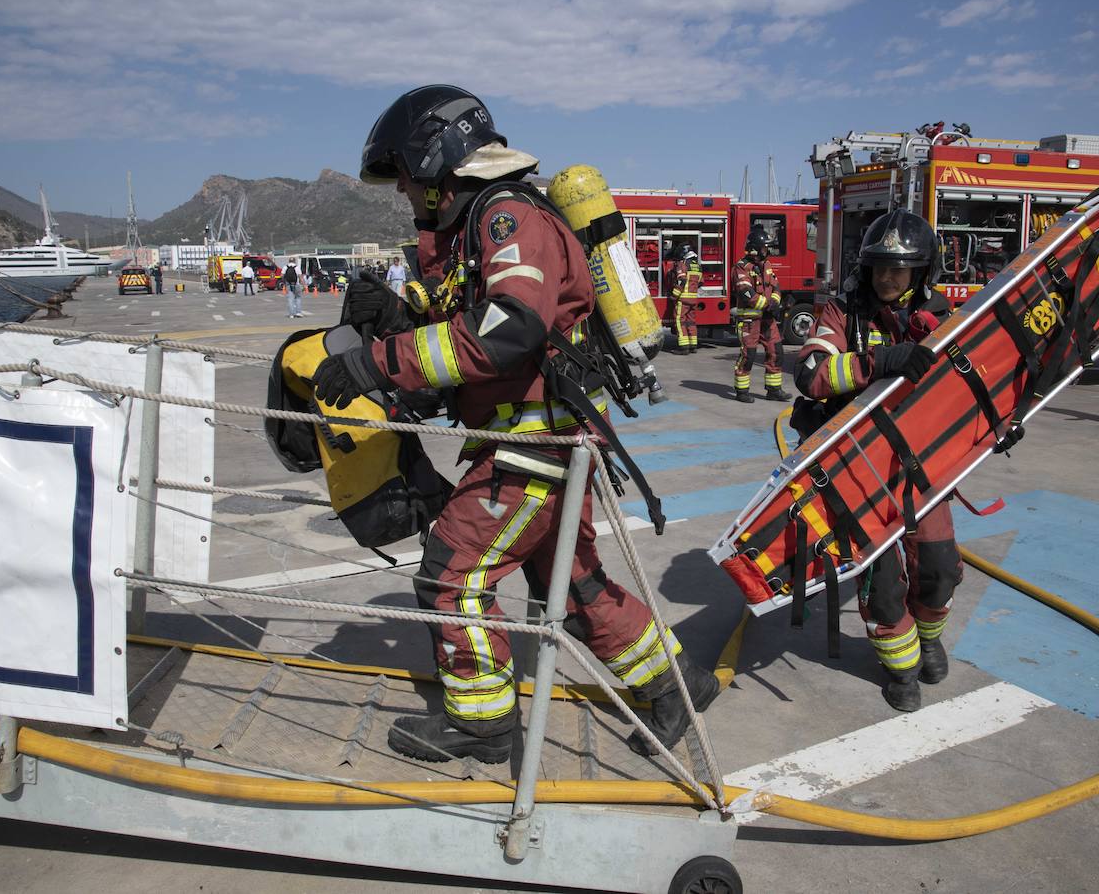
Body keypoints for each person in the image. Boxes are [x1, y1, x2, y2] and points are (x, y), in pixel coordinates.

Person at [311, 85, 718, 764]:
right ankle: (678, 684)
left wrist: (381, 362)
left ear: (435, 161)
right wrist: (396, 319)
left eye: (407, 181)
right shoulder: (489, 223)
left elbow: (508, 330)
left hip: (533, 443)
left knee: (452, 574)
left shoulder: (507, 217)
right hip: (543, 439)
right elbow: (478, 329)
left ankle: (483, 724)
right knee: (577, 585)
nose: (405, 196)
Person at [793, 208, 961, 713]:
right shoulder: (843, 313)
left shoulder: (943, 317)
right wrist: (880, 361)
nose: (887, 277)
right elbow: (811, 374)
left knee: (939, 568)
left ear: (921, 272)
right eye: (879, 266)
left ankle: (928, 638)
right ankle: (900, 667)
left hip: (921, 467)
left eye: (900, 268)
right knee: (883, 583)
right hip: (859, 468)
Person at [732, 228, 791, 402]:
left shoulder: (767, 265)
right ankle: (742, 391)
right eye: (765, 248)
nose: (768, 251)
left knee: (776, 351)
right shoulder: (741, 267)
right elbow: (746, 292)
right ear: (755, 248)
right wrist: (767, 306)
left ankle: (774, 390)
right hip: (749, 320)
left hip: (767, 319)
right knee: (748, 355)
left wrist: (775, 302)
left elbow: (775, 286)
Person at [668, 243, 701, 354]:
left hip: (683, 299)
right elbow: (701, 282)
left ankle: (684, 347)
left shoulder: (682, 265)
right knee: (691, 322)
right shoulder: (697, 266)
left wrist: (674, 295)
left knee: (679, 321)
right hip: (693, 299)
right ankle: (693, 345)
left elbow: (681, 280)